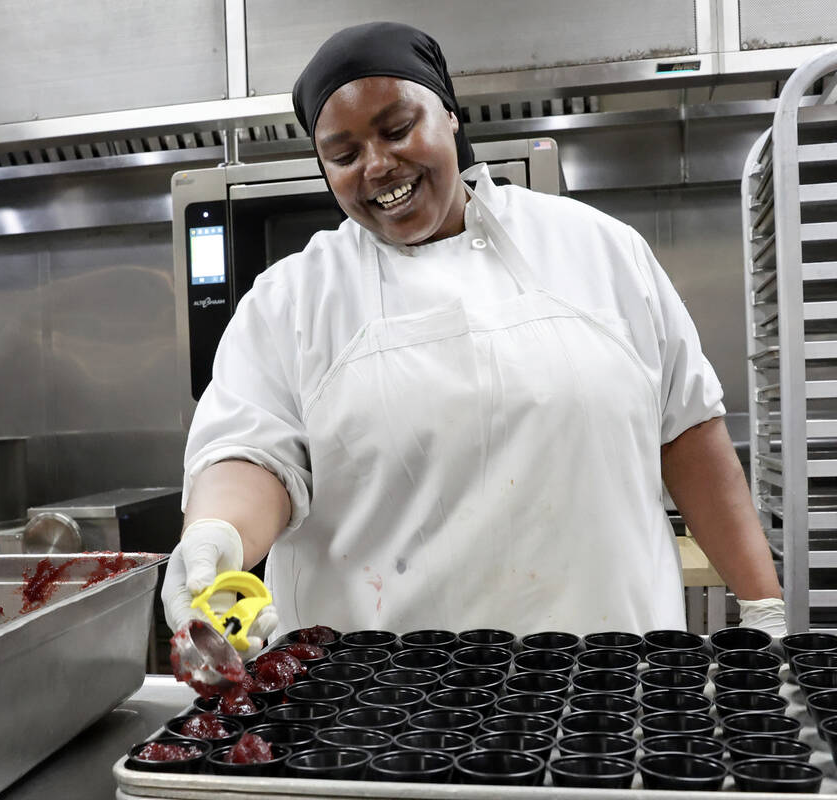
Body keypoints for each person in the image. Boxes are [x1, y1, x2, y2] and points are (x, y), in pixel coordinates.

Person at [162, 21, 785, 650]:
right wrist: (218, 536)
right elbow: (251, 456)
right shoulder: (291, 300)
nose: (378, 165)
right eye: (344, 155)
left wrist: (764, 608)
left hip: (609, 701)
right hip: (377, 720)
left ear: (450, 116)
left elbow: (688, 435)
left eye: (397, 128)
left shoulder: (598, 249)